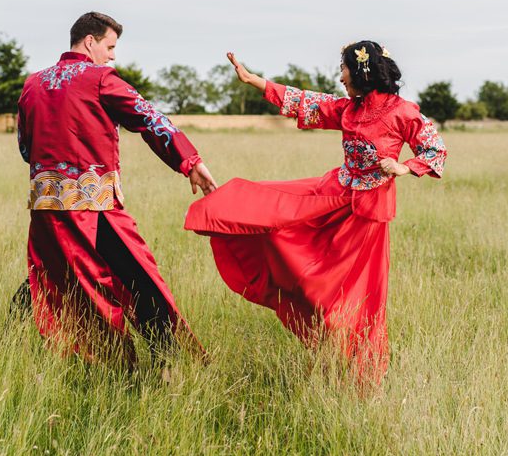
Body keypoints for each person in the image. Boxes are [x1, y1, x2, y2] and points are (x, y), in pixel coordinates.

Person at [183, 42, 447, 382]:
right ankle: (329, 352)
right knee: (275, 223)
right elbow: (306, 101)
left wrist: (403, 167)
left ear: (361, 70)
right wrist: (254, 81)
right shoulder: (350, 109)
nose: (340, 77)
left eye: (344, 69)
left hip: (367, 216)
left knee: (353, 297)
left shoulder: (403, 111)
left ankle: (356, 369)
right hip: (332, 197)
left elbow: (435, 149)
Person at [17, 11, 217, 365]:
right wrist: (190, 161)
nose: (112, 56)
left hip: (46, 209)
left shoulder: (33, 84)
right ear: (90, 42)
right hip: (93, 209)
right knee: (141, 280)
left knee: (51, 280)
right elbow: (148, 117)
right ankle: (159, 365)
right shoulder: (99, 79)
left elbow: (25, 147)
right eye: (109, 46)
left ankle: (27, 350)